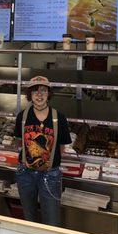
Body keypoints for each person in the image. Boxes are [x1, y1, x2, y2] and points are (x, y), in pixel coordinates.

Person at [14, 76, 71, 226]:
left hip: (50, 175)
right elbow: (20, 142)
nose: (39, 95)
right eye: (35, 92)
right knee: (29, 218)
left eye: (43, 91)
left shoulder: (59, 118)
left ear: (48, 94)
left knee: (51, 220)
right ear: (30, 95)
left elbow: (61, 148)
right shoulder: (22, 116)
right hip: (25, 174)